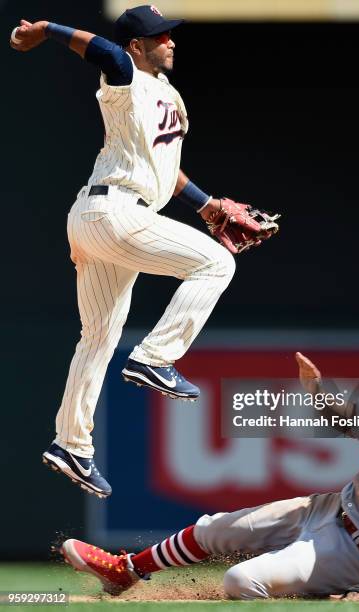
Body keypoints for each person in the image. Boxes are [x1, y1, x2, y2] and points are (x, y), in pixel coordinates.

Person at [10, 6, 263, 498]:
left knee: (99, 336)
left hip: (104, 213)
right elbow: (104, 50)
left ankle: (70, 445)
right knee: (216, 262)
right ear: (136, 46)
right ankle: (153, 358)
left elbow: (167, 171)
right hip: (116, 211)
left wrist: (208, 205)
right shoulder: (125, 75)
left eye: (170, 35)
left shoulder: (167, 94)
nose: (169, 42)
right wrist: (47, 30)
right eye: (159, 37)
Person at [60, 341, 359, 601]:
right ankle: (125, 571)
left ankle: (327, 593)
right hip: (330, 508)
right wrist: (318, 393)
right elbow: (348, 423)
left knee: (241, 581)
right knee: (214, 529)